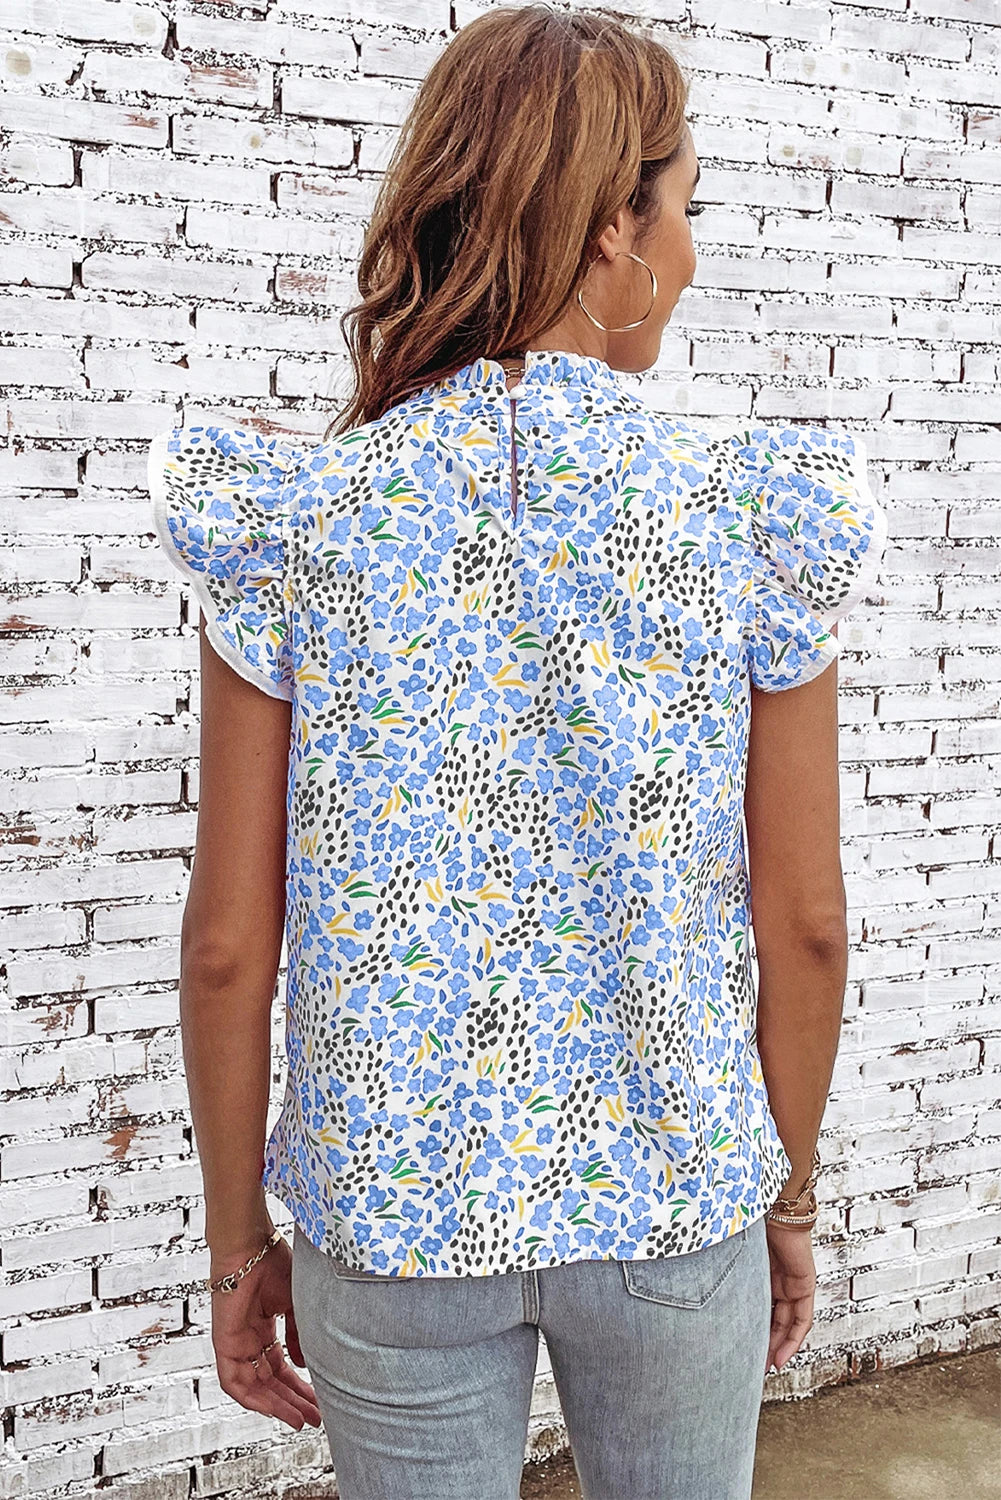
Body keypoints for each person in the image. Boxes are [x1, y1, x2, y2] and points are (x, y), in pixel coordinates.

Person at [147, 6, 888, 1498]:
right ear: (615, 227)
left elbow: (229, 947)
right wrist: (788, 1197)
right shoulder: (746, 514)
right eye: (684, 208)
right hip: (672, 1206)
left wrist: (237, 1248)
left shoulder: (304, 521)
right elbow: (804, 923)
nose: (689, 250)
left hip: (391, 1220)